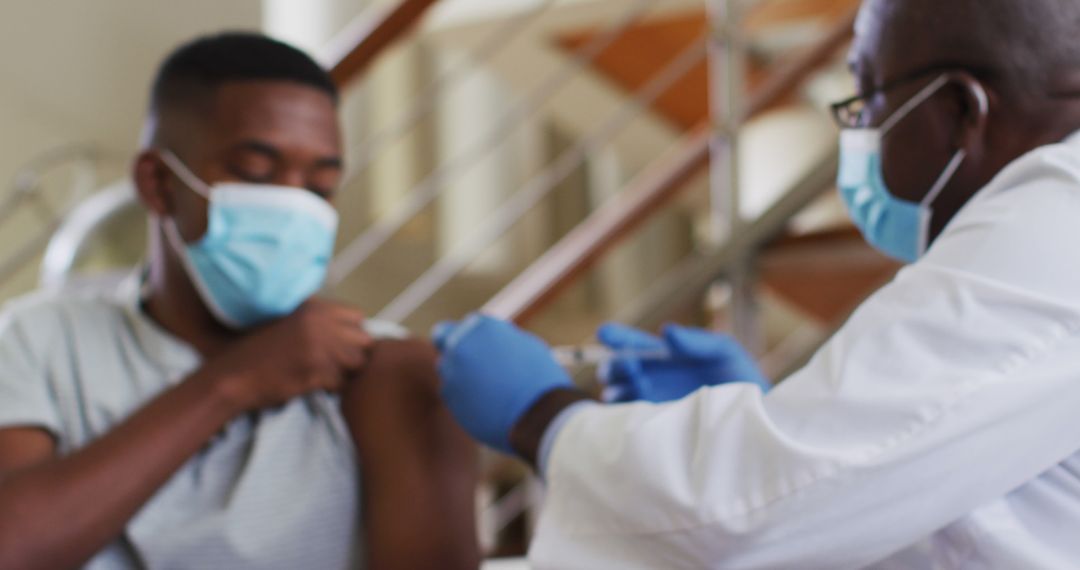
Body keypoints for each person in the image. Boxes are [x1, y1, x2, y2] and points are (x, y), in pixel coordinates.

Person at [435, 0, 1080, 567]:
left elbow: (762, 508)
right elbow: (931, 494)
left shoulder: (1057, 217)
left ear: (962, 111)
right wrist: (759, 406)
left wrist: (542, 418)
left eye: (867, 101)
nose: (858, 137)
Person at [0, 33, 478, 570]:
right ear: (158, 184)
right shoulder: (35, 341)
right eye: (256, 173)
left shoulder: (388, 371)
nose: (293, 208)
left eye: (319, 188)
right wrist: (233, 383)